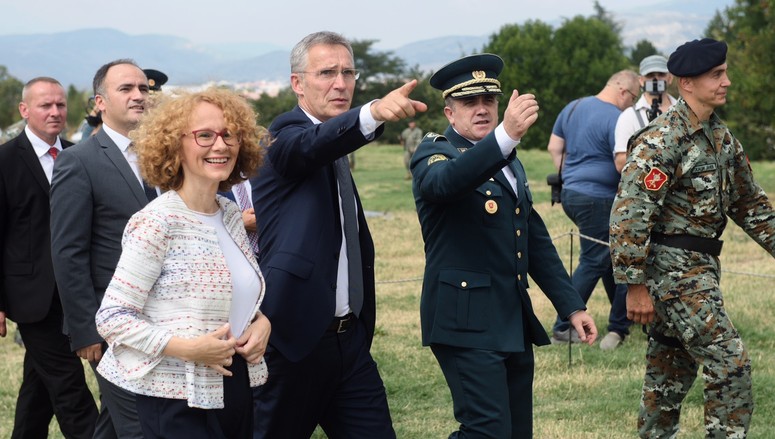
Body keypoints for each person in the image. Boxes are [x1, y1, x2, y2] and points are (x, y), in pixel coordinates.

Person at [411, 53, 597, 438]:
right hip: (463, 320)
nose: (482, 109)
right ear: (449, 112)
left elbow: (533, 239)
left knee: (515, 432)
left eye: (489, 101)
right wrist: (504, 137)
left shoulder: (508, 160)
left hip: (509, 318)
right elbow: (445, 184)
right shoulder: (435, 152)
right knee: (486, 431)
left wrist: (572, 304)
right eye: (469, 102)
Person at [251, 30, 426, 438]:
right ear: (297, 83)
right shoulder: (286, 133)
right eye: (327, 73)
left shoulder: (336, 142)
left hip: (350, 344)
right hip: (291, 343)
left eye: (348, 72)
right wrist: (374, 112)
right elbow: (310, 148)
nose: (341, 84)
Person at [610, 38, 775, 438]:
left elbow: (751, 205)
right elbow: (630, 215)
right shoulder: (661, 140)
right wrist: (634, 287)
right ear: (686, 82)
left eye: (725, 73)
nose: (727, 82)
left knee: (668, 377)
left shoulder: (721, 139)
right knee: (729, 362)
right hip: (673, 274)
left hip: (701, 269)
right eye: (717, 75)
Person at [95, 88, 271, 438]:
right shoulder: (158, 222)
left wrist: (261, 322)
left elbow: (236, 294)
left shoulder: (231, 215)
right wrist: (191, 349)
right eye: (204, 135)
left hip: (234, 385)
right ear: (174, 146)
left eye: (229, 134)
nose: (220, 145)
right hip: (175, 395)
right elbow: (112, 318)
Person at [50, 59, 151, 439]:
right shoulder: (79, 162)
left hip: (161, 319)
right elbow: (67, 252)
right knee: (138, 426)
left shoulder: (165, 156)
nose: (138, 96)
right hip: (111, 324)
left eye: (143, 89)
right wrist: (86, 329)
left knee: (116, 421)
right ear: (100, 102)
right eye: (126, 89)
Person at [0, 77, 98, 438]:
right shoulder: (5, 162)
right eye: (45, 105)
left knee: (38, 389)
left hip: (78, 291)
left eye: (60, 104)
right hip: (31, 296)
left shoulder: (79, 156)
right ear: (25, 110)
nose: (55, 112)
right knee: (70, 386)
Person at [546, 69, 639, 350]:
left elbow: (554, 147)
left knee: (611, 257)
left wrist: (573, 176)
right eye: (633, 99)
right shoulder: (618, 118)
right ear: (623, 91)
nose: (631, 105)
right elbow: (623, 161)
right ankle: (564, 325)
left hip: (571, 195)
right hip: (599, 198)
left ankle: (623, 317)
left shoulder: (572, 107)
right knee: (595, 259)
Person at [613, 55, 677, 172]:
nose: (656, 80)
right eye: (650, 75)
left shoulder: (682, 111)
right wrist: (648, 149)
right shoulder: (629, 116)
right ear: (641, 80)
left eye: (661, 74)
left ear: (670, 78)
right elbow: (620, 164)